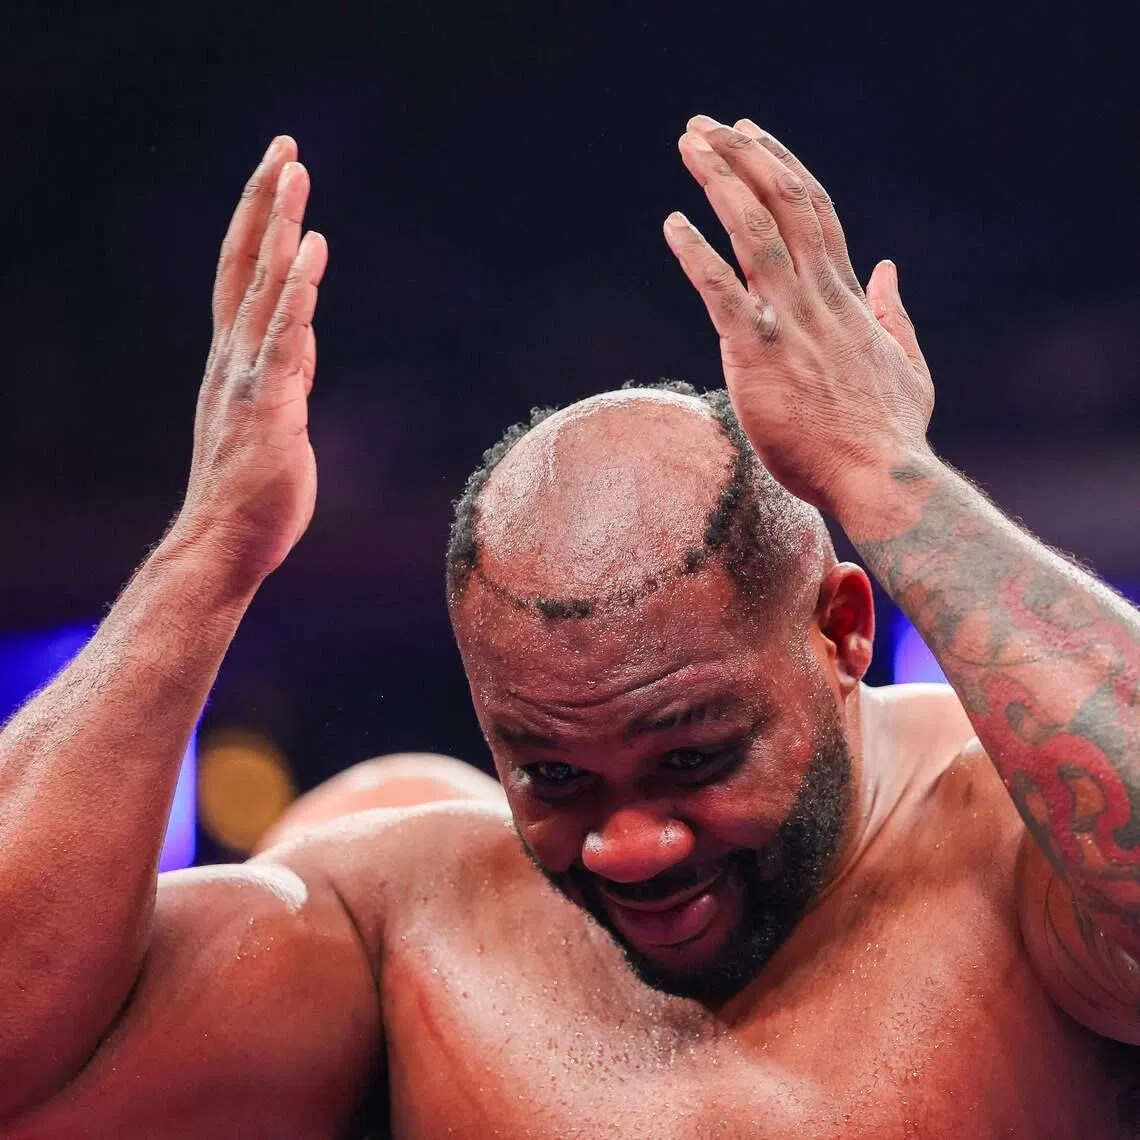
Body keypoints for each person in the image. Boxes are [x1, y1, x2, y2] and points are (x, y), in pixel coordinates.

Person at [0, 117, 1136, 1139]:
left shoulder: (1011, 847)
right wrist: (211, 551)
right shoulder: (401, 919)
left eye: (694, 756)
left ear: (841, 631)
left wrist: (891, 481)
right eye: (552, 773)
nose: (627, 847)